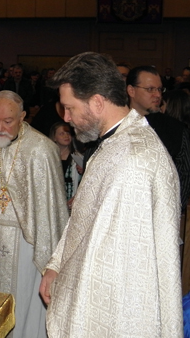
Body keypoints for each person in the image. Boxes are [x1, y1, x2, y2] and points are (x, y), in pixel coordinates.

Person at [39, 52, 182, 337]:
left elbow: (118, 269)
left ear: (97, 102)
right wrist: (56, 265)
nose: (65, 118)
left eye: (69, 108)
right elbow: (86, 220)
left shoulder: (134, 161)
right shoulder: (116, 142)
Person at [0, 91, 69, 338]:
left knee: (23, 302)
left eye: (8, 121)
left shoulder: (41, 150)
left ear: (23, 117)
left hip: (26, 243)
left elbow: (51, 211)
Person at [126, 65, 190, 211]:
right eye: (150, 89)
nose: (157, 95)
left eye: (159, 89)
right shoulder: (113, 124)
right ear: (131, 90)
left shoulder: (175, 129)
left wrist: (172, 210)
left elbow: (184, 174)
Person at [49, 121, 82, 203]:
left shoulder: (78, 157)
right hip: (53, 199)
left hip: (71, 198)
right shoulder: (49, 157)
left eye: (68, 133)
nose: (66, 136)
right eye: (61, 134)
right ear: (54, 138)